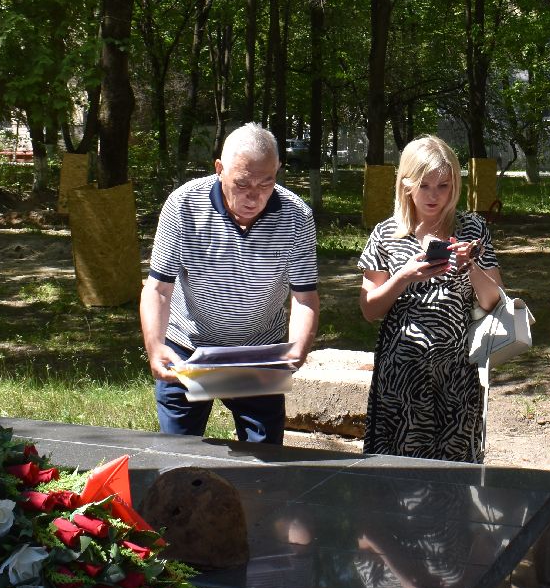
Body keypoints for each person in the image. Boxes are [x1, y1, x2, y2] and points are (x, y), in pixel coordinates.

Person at [141, 123, 319, 444]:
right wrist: (155, 346)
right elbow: (158, 288)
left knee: (266, 464)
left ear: (278, 170)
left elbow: (304, 298)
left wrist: (297, 350)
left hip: (258, 353)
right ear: (219, 169)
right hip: (188, 350)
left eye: (267, 183)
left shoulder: (296, 216)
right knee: (179, 457)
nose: (254, 196)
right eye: (242, 183)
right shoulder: (183, 205)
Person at [358, 135, 503, 462]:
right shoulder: (386, 234)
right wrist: (404, 277)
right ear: (407, 184)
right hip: (400, 376)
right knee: (396, 473)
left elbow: (494, 301)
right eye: (425, 186)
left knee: (453, 475)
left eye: (444, 185)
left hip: (456, 373)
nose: (435, 196)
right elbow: (369, 309)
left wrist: (471, 267)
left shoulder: (472, 229)